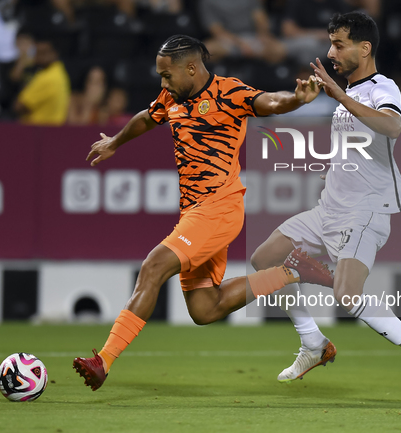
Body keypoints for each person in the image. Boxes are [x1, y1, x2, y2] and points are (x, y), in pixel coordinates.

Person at [73, 34, 333, 391]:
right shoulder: (172, 98)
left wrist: (296, 100)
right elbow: (147, 118)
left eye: (167, 76)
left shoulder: (229, 92)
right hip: (194, 213)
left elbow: (269, 102)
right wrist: (115, 143)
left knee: (153, 267)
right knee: (204, 309)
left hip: (218, 209)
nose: (162, 84)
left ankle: (104, 360)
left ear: (191, 68)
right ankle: (286, 273)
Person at [251, 12, 401, 405]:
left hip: (366, 210)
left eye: (339, 44)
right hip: (329, 207)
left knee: (349, 295)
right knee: (265, 259)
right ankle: (312, 342)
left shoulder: (384, 88)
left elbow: (392, 127)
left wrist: (341, 95)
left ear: (364, 48)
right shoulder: (344, 99)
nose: (331, 52)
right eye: (331, 43)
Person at [13, 36, 70, 125]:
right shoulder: (59, 71)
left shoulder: (47, 77)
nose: (39, 57)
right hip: (52, 128)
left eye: (43, 53)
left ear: (54, 53)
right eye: (37, 53)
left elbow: (19, 106)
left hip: (37, 129)